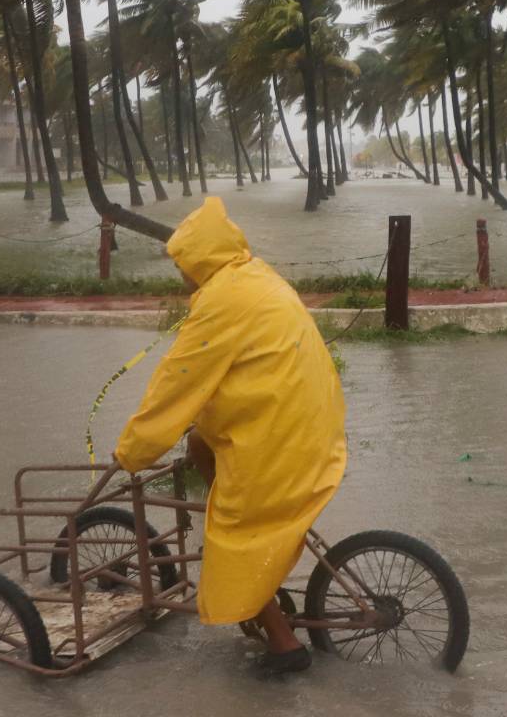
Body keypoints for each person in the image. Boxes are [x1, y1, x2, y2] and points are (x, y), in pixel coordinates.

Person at [114, 197, 347, 677]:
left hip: (281, 436)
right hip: (312, 423)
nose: (180, 276)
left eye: (182, 265)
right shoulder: (256, 275)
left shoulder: (221, 302)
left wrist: (132, 452)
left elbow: (175, 383)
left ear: (199, 260)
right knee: (200, 442)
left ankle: (284, 646)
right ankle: (263, 572)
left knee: (232, 537)